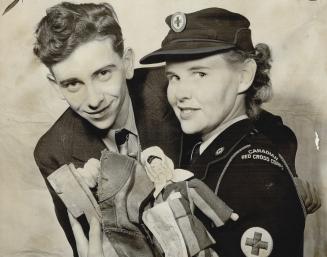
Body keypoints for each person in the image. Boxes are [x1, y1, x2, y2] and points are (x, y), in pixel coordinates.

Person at [140, 7, 320, 257]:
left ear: (244, 76)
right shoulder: (205, 148)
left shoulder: (252, 176)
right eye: (174, 77)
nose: (180, 94)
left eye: (200, 74)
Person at [32, 2, 181, 257]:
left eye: (102, 73)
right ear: (56, 86)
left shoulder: (175, 87)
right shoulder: (53, 152)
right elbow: (90, 246)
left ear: (126, 63)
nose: (93, 99)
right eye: (72, 84)